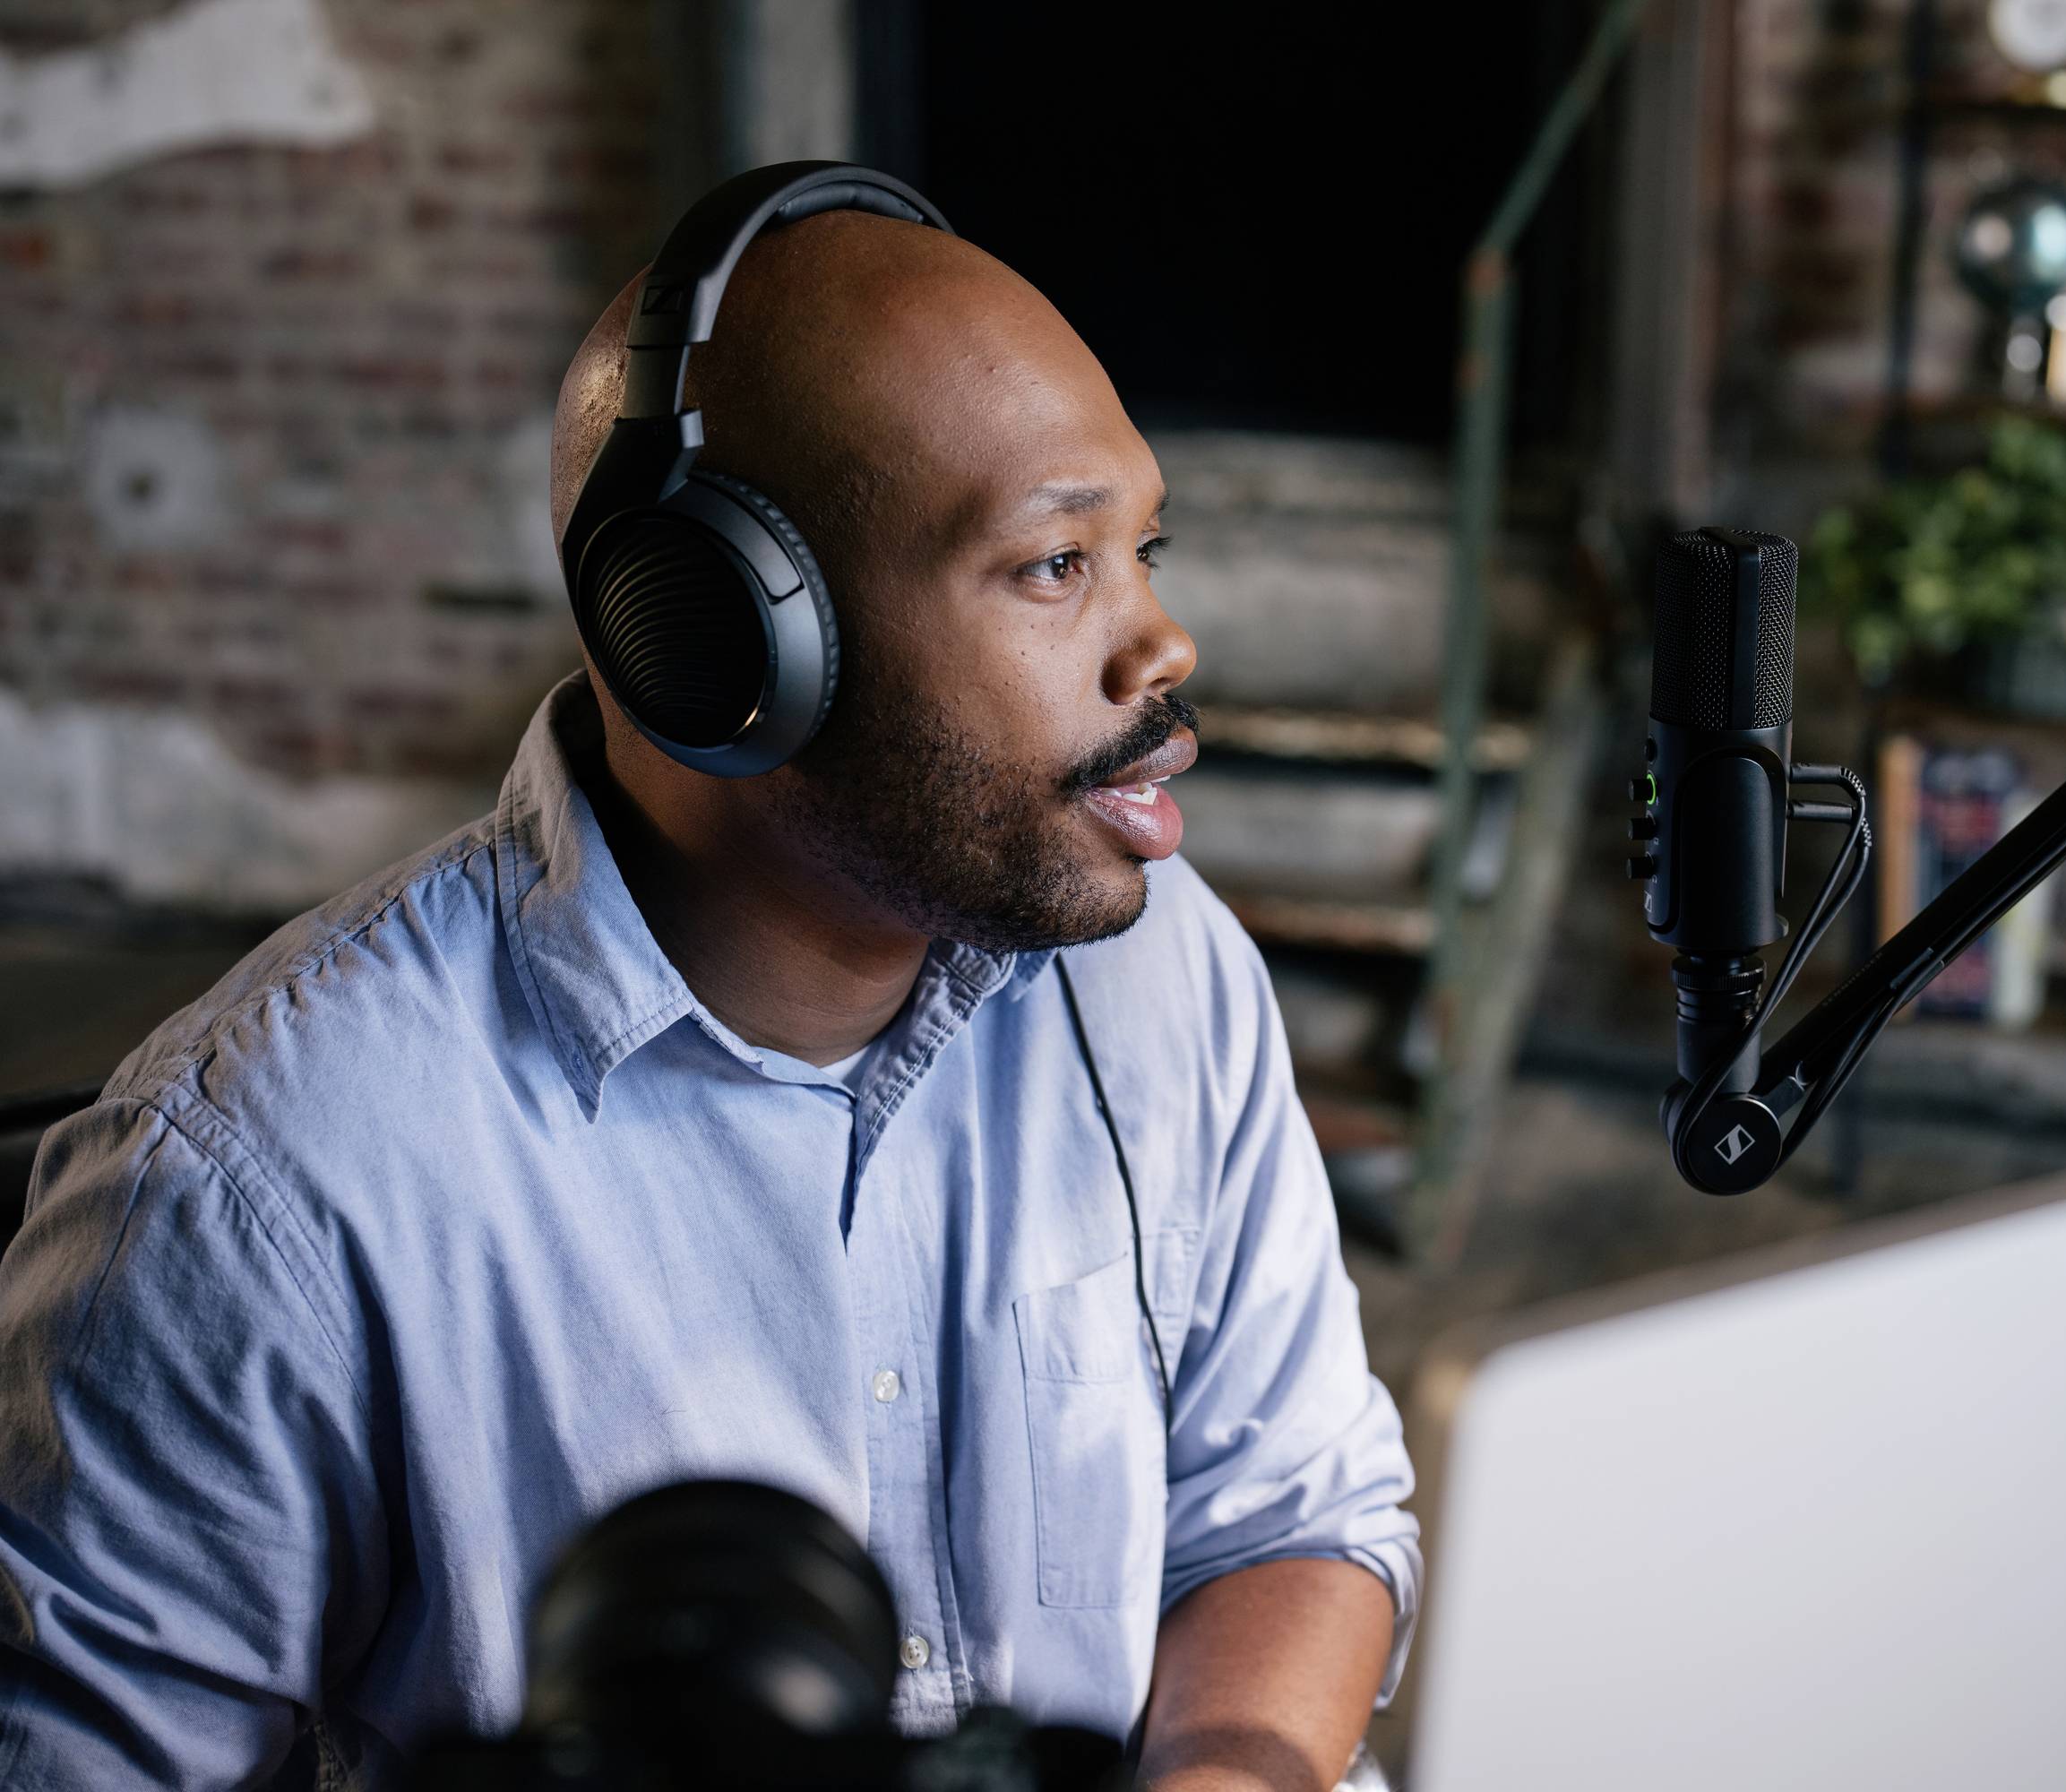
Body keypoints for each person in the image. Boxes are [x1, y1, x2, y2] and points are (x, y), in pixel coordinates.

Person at [0, 193, 1418, 1790]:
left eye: (1143, 548)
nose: (1163, 642)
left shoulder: (1164, 969)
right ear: (719, 641)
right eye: (1052, 564)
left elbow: (1295, 1519)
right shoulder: (251, 1196)